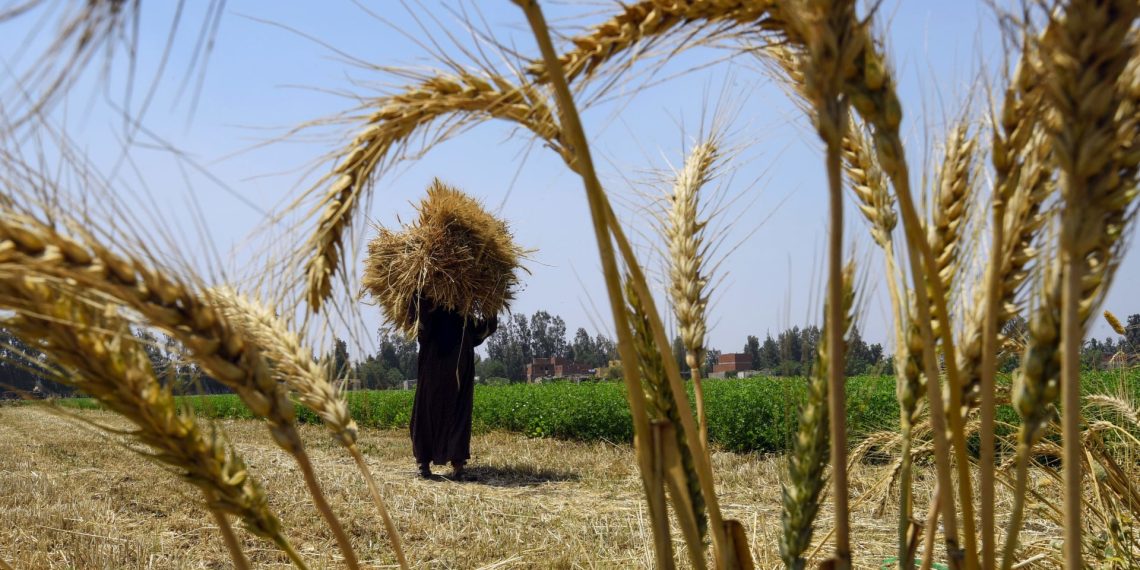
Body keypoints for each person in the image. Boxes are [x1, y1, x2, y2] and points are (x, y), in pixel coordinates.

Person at [409, 297, 497, 480]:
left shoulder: (464, 317)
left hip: (455, 369)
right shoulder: (430, 308)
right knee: (431, 411)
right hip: (436, 368)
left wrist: (492, 306)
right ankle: (426, 463)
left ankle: (453, 464)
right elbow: (419, 329)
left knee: (455, 413)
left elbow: (481, 332)